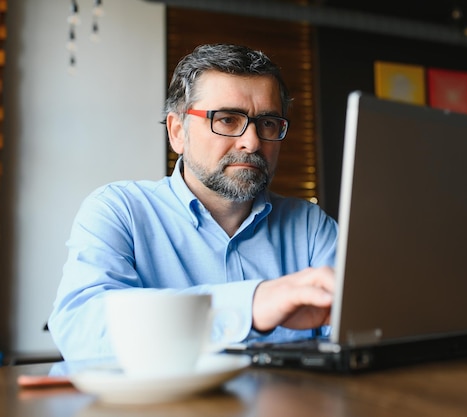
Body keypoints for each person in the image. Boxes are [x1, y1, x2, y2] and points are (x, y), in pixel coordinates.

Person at [48, 43, 338, 361]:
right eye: (227, 119)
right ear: (177, 132)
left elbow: (362, 326)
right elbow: (81, 328)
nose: (252, 141)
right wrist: (251, 304)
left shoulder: (311, 226)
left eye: (267, 123)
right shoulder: (120, 211)